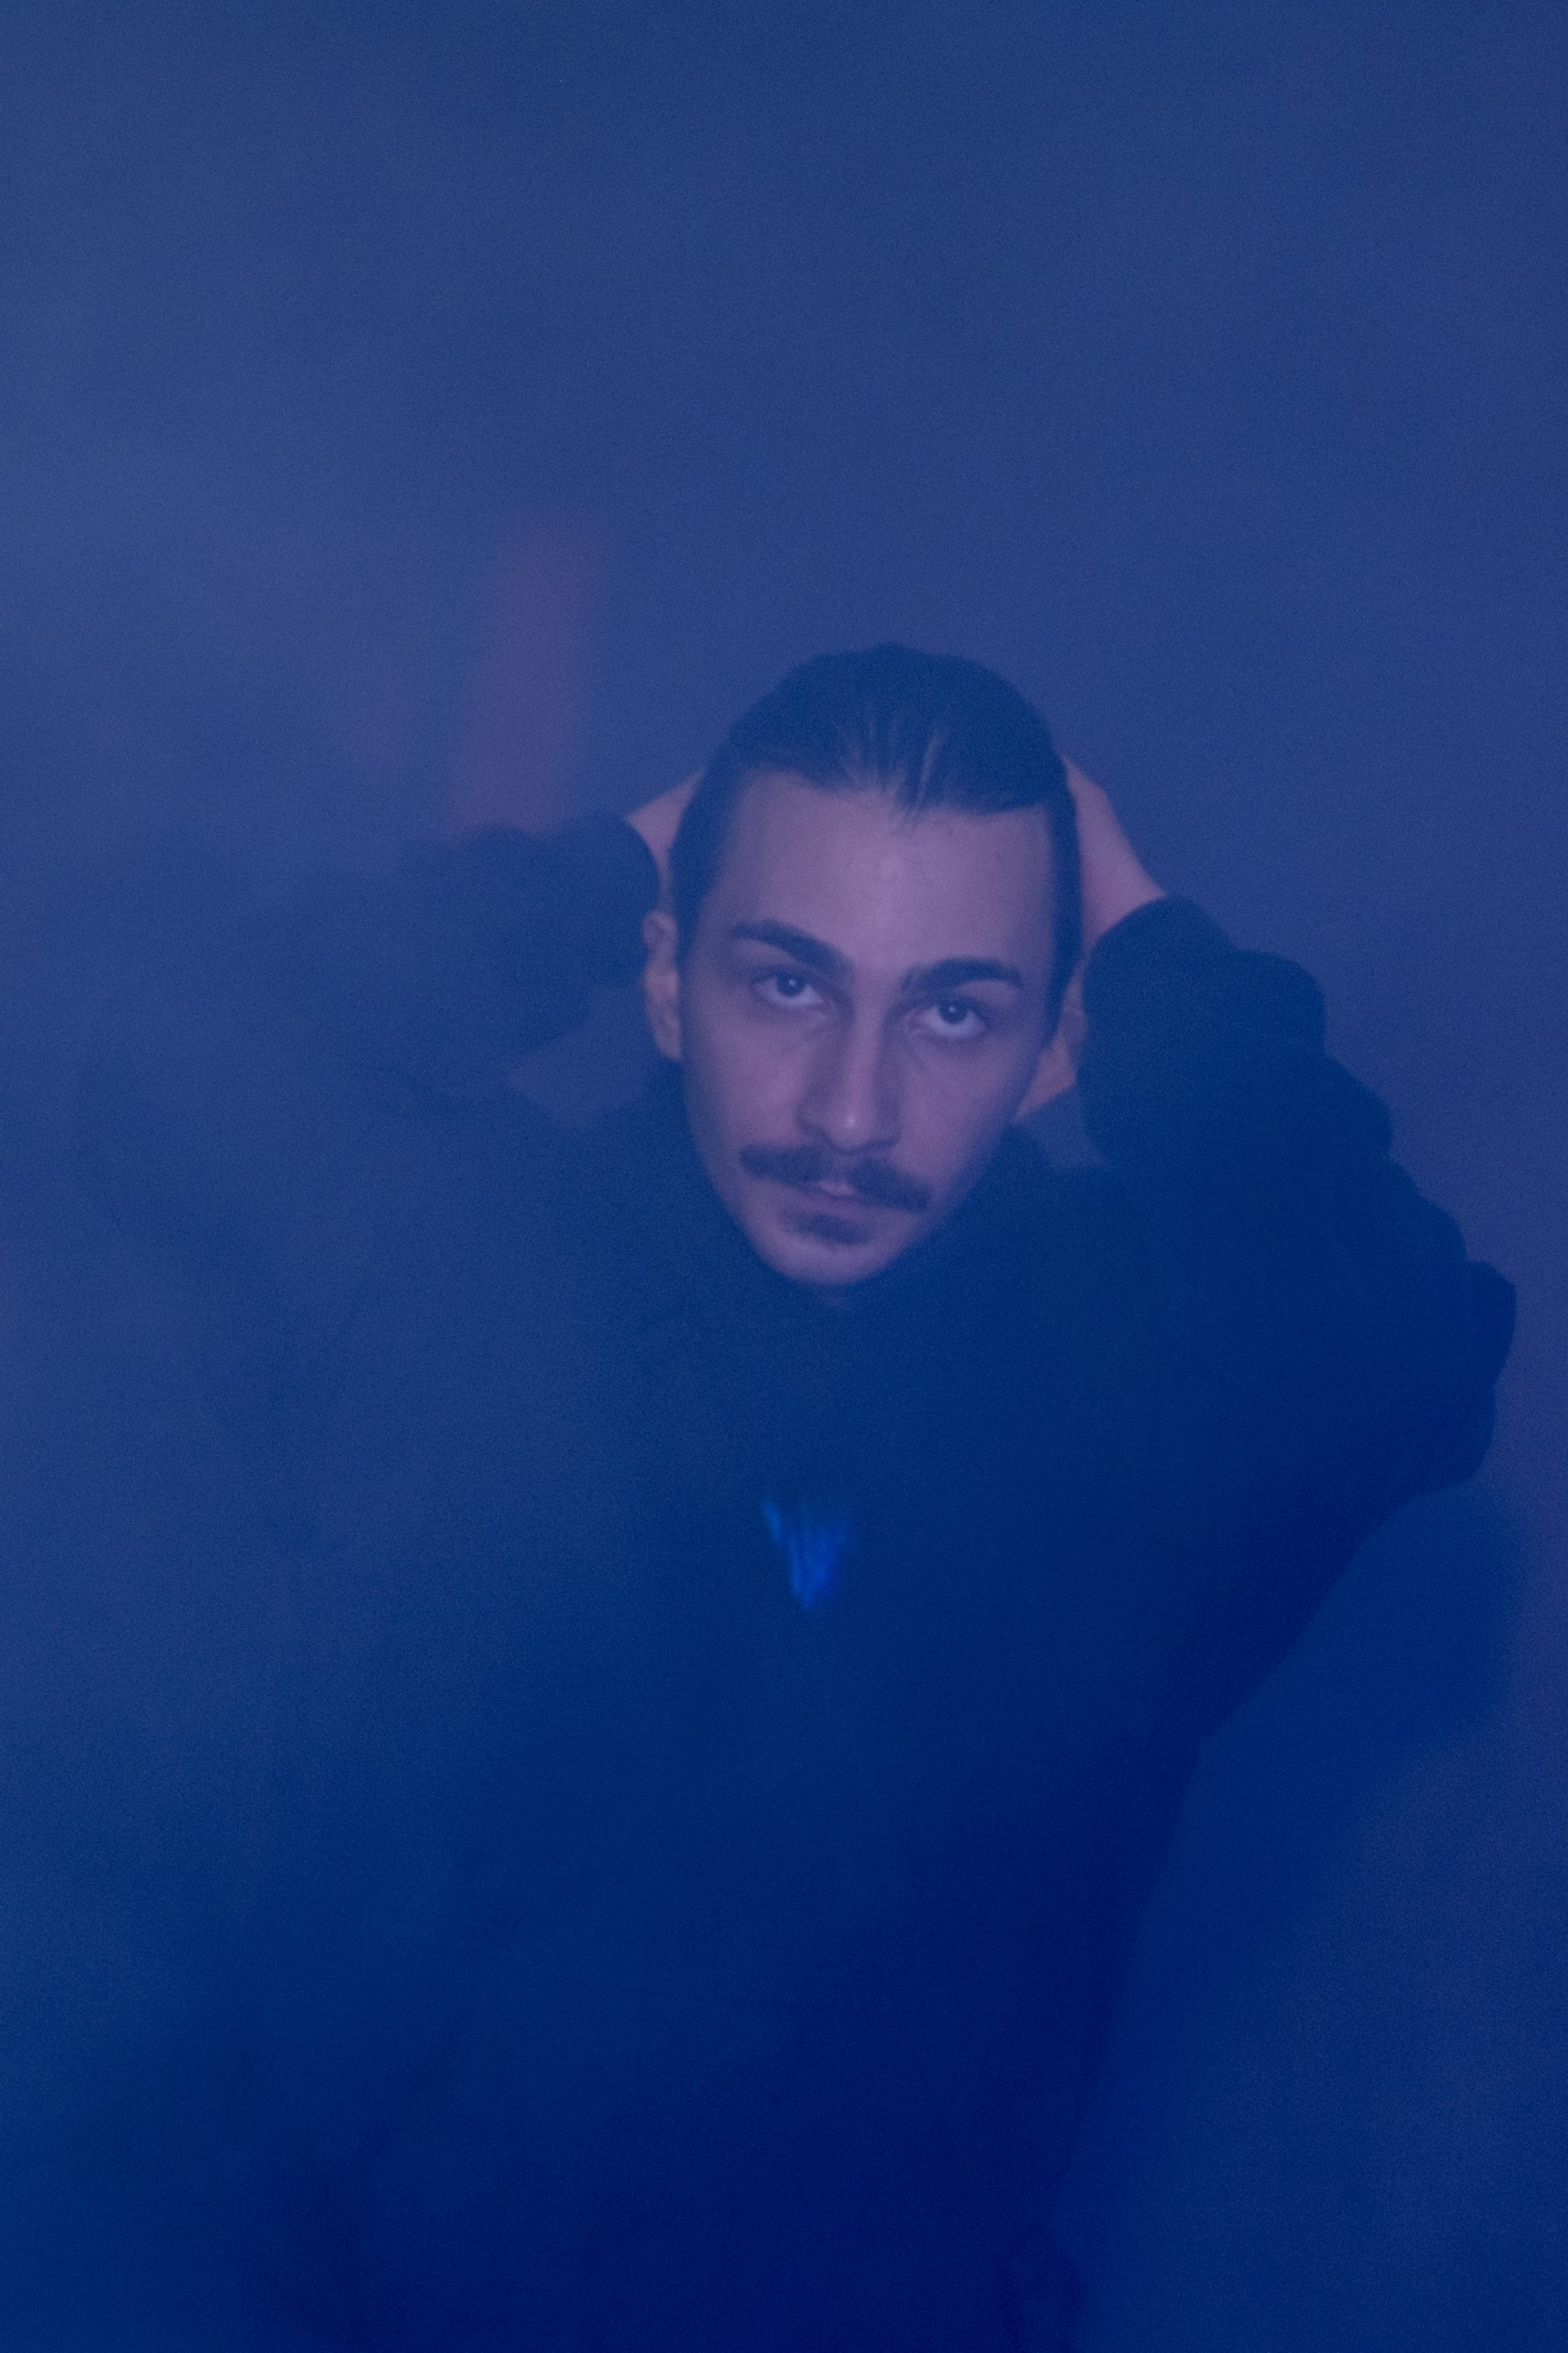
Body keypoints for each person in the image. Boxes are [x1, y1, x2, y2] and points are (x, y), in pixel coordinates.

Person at [65, 644, 1510, 2349]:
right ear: (667, 984)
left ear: (1059, 1048)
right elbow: (172, 1073)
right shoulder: (467, 1268)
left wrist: (1148, 951)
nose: (851, 1108)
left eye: (952, 1011)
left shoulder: (1144, 1397)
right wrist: (618, 861)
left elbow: (1399, 1354)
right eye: (787, 983)